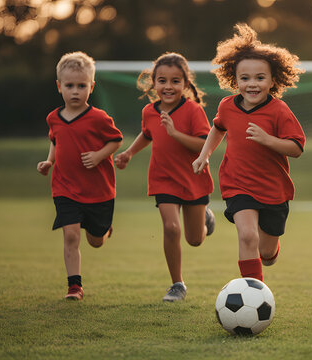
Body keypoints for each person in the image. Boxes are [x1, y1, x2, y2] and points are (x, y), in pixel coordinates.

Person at [192, 24, 306, 282]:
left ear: (273, 80)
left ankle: (269, 253)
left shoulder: (279, 111)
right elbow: (218, 128)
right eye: (245, 78)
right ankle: (253, 292)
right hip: (237, 184)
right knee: (247, 236)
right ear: (235, 80)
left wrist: (268, 140)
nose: (252, 84)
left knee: (266, 253)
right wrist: (204, 154)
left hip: (273, 189)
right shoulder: (227, 106)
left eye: (259, 78)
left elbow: (297, 148)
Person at [114, 52, 215, 302]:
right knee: (171, 228)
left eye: (175, 81)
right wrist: (128, 152)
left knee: (194, 240)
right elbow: (147, 134)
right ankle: (177, 285)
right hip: (163, 179)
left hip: (194, 178)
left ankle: (205, 223)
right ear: (154, 83)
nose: (168, 86)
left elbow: (203, 145)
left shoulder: (193, 110)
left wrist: (175, 133)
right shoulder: (149, 111)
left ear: (185, 83)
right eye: (162, 80)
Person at [37, 51, 123, 301]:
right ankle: (74, 286)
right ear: (59, 86)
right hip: (65, 188)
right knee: (71, 234)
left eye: (81, 86)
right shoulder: (53, 118)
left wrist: (99, 156)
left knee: (96, 241)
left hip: (98, 191)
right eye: (70, 85)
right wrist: (49, 161)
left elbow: (116, 140)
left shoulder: (99, 118)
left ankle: (105, 230)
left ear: (91, 86)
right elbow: (55, 141)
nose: (75, 91)